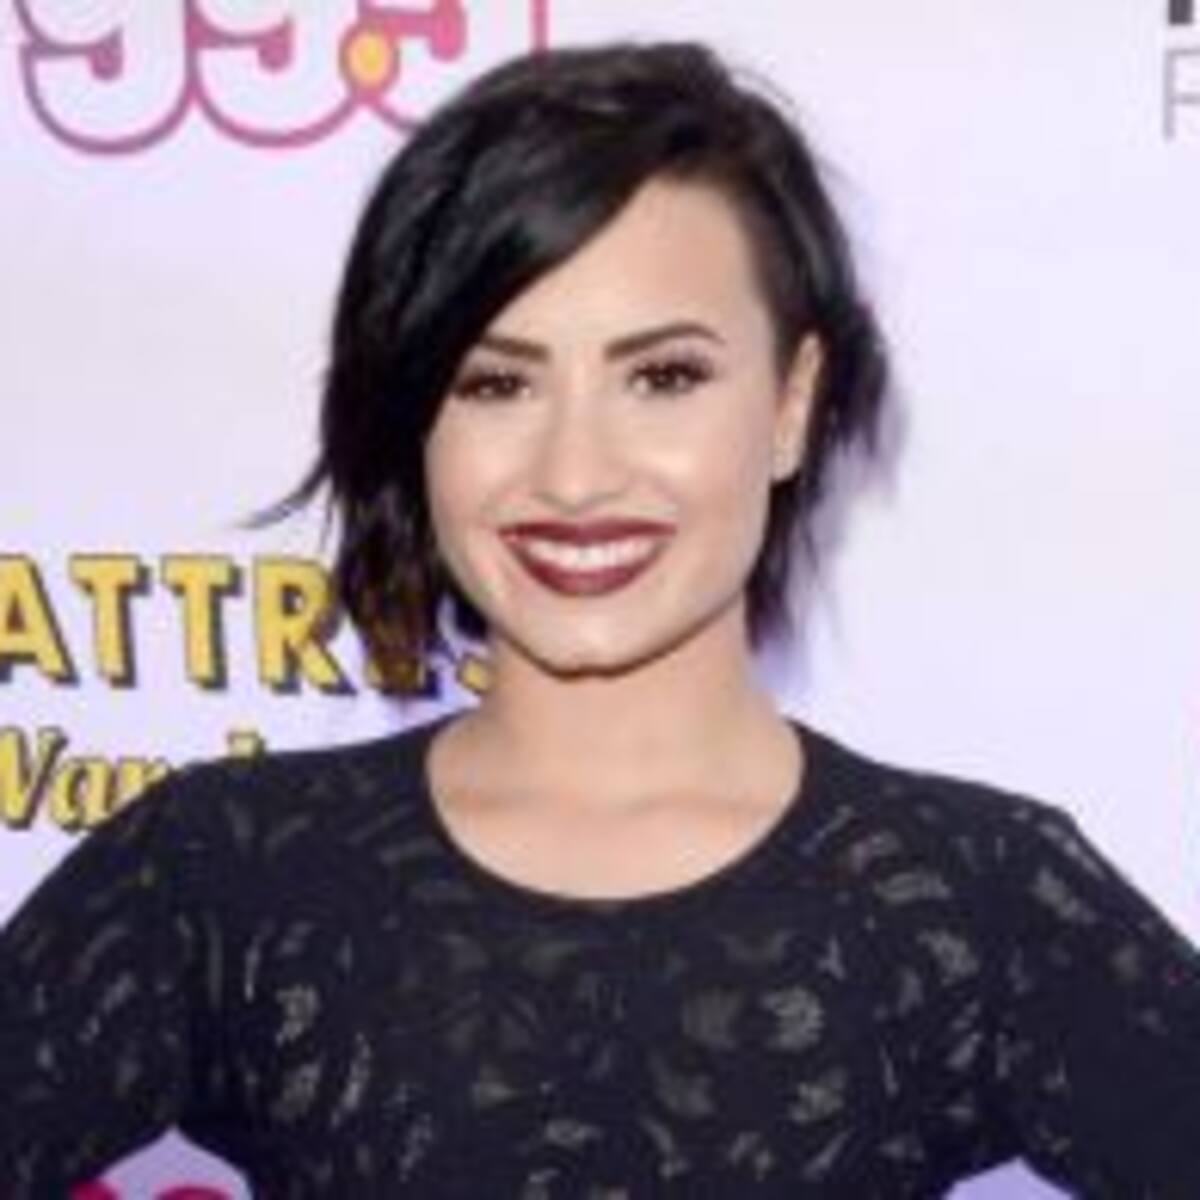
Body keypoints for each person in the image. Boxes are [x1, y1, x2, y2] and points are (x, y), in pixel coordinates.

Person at [2, 39, 1199, 1199]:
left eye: (664, 377)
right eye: (496, 382)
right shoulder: (228, 872)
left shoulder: (971, 894)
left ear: (791, 402)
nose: (575, 475)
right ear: (415, 418)